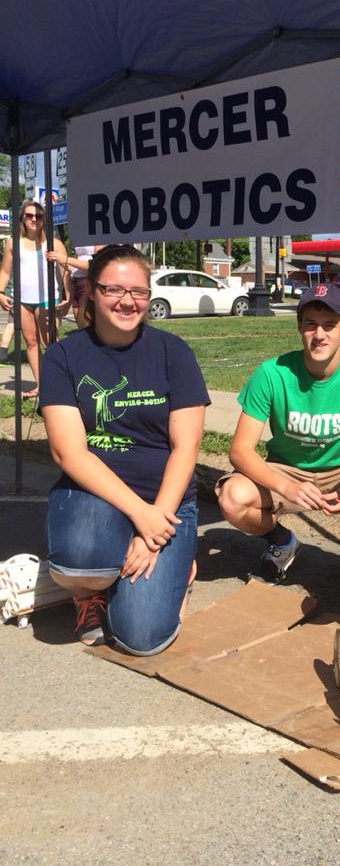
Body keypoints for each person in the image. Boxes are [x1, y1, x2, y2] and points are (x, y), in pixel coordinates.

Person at [39, 244, 209, 652]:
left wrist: (154, 529)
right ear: (92, 293)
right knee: (77, 559)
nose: (127, 301)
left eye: (139, 292)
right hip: (95, 496)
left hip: (165, 501)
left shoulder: (173, 352)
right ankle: (91, 587)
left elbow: (186, 448)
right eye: (114, 289)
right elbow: (69, 453)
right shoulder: (63, 355)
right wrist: (140, 517)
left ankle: (176, 570)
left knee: (141, 638)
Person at [217, 282, 340, 582]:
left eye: (329, 325)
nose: (319, 335)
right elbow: (240, 451)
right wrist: (288, 488)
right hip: (285, 471)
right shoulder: (272, 373)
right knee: (232, 498)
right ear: (300, 327)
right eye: (311, 324)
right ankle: (282, 540)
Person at [0, 200, 70, 398]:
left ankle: (61, 383)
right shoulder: (13, 242)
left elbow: (65, 272)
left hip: (47, 299)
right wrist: (1, 293)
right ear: (22, 218)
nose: (34, 219)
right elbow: (5, 271)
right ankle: (42, 386)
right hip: (22, 300)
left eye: (38, 216)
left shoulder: (54, 243)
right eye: (29, 215)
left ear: (44, 220)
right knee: (31, 342)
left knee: (51, 342)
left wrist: (68, 297)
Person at [45, 239, 106, 327]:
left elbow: (98, 265)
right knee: (81, 325)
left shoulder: (97, 235)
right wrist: (58, 260)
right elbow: (76, 265)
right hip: (77, 281)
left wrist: (65, 259)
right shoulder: (79, 236)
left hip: (89, 281)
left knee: (86, 323)